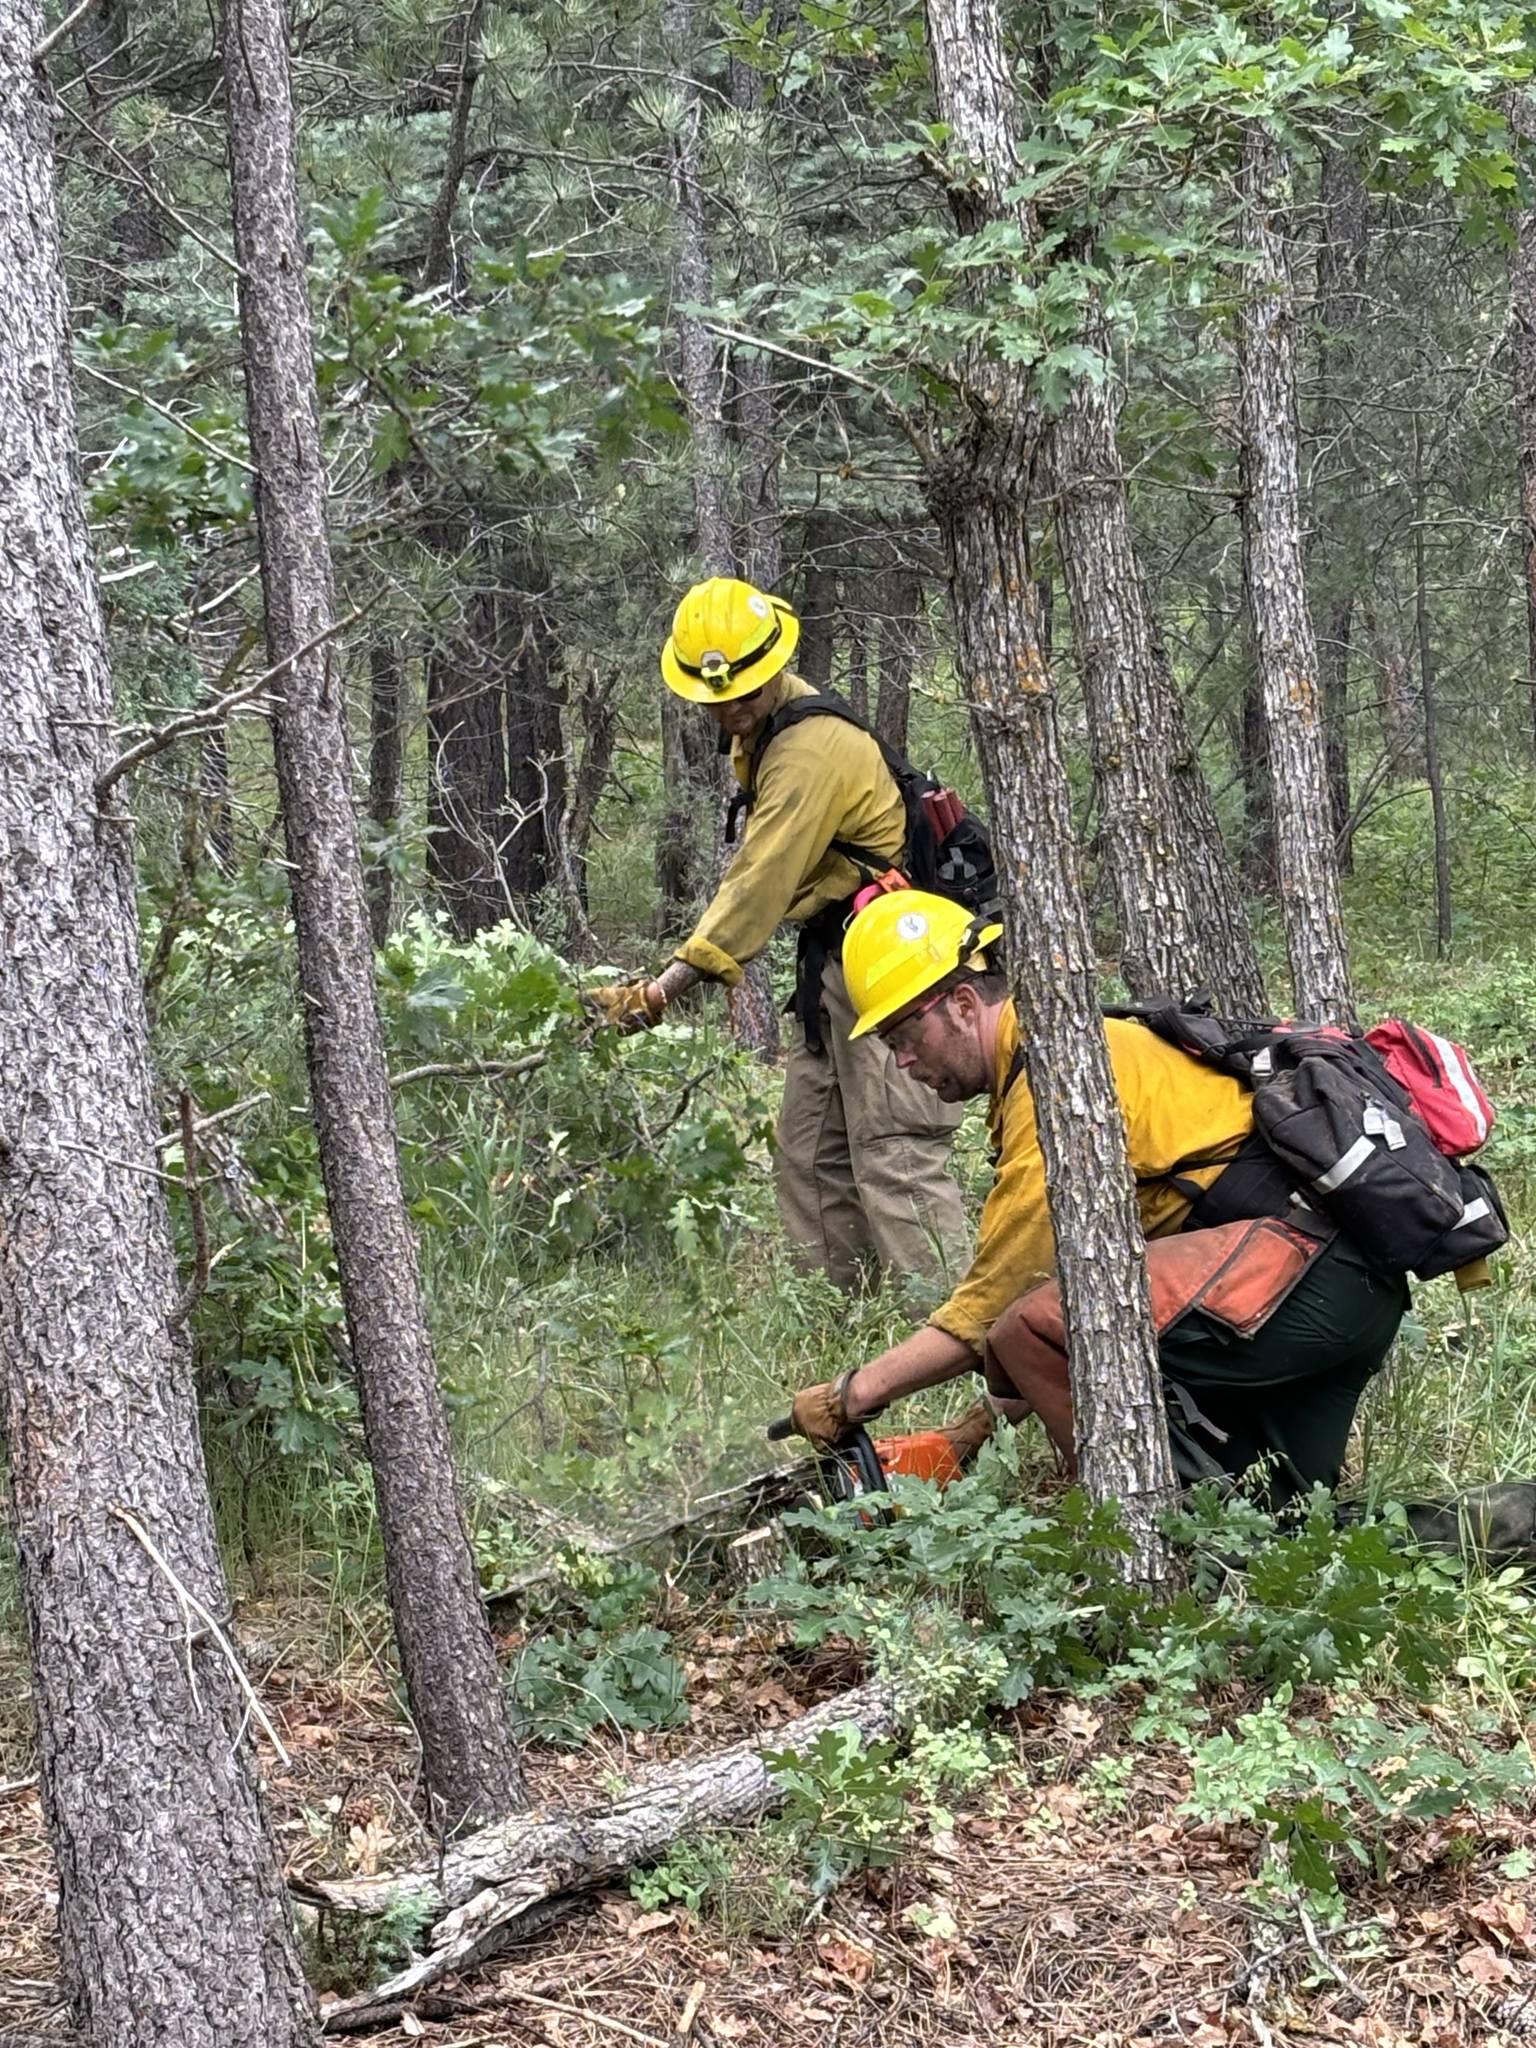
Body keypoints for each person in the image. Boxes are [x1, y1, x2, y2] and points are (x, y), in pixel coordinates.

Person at [788, 891, 1411, 1506]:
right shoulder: (1064, 1046)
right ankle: (1499, 1522)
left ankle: (1149, 1532)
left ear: (960, 1003)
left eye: (904, 1033)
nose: (901, 1061)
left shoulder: (1054, 1080)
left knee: (1024, 1327)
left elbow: (1000, 1312)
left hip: (1293, 1282)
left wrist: (854, 1394)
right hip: (1336, 1285)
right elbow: (1074, 1291)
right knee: (1284, 1524)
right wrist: (970, 1433)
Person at [587, 577, 969, 1294]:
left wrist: (661, 991)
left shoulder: (806, 751)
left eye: (745, 693)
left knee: (895, 1148)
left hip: (896, 957)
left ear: (774, 667)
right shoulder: (769, 730)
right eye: (715, 700)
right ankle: (842, 1325)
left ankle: (958, 1344)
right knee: (810, 1152)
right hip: (837, 956)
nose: (730, 710)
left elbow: (756, 884)